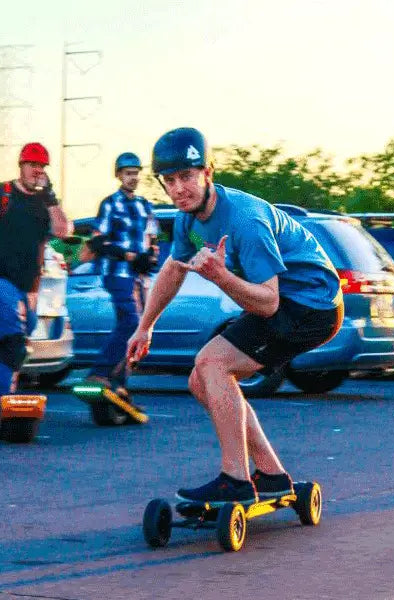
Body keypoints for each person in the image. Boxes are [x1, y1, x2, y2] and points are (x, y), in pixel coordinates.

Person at [127, 128, 343, 502]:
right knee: (201, 379)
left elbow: (269, 303)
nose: (179, 189)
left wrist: (221, 276)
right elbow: (173, 269)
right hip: (287, 302)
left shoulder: (246, 221)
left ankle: (236, 479)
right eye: (170, 181)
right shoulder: (187, 218)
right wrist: (144, 327)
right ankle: (271, 473)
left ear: (208, 173)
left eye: (187, 177)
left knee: (212, 363)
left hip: (312, 306)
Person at [0, 142, 71, 433]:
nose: (36, 171)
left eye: (41, 167)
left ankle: (2, 405)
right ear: (21, 165)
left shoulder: (43, 203)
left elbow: (63, 231)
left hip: (30, 285)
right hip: (0, 278)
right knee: (12, 342)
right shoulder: (2, 193)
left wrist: (51, 197)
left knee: (19, 348)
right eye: (32, 165)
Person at [81, 152, 159, 403]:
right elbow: (97, 240)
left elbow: (153, 237)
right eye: (128, 174)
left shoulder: (145, 205)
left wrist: (150, 258)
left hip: (139, 276)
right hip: (117, 273)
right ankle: (99, 372)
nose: (132, 178)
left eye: (136, 173)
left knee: (141, 331)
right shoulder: (110, 204)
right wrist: (128, 256)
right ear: (119, 176)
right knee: (130, 321)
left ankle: (119, 384)